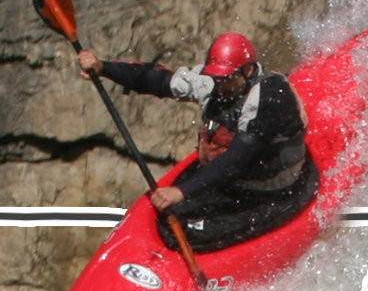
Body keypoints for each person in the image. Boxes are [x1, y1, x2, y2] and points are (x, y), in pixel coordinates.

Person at [76, 33, 316, 253]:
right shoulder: (215, 80)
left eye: (228, 80)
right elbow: (158, 80)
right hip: (232, 180)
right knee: (173, 221)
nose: (221, 87)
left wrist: (181, 191)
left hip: (270, 191)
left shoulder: (270, 98)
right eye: (218, 79)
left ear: (249, 71)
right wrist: (103, 67)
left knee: (193, 232)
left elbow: (238, 159)